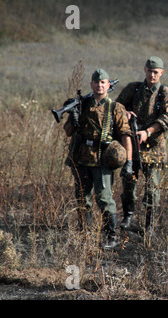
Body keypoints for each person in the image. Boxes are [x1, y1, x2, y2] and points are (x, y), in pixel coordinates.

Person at [64, 68, 133, 249]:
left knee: (104, 198)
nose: (100, 85)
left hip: (103, 161)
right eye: (97, 82)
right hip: (81, 159)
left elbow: (126, 136)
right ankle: (84, 234)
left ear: (108, 85)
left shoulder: (115, 108)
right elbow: (68, 132)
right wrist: (73, 117)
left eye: (103, 83)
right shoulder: (82, 104)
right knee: (82, 199)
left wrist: (129, 162)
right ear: (91, 85)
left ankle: (111, 236)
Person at [116, 56, 168, 233]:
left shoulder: (165, 93)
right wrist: (125, 113)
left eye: (156, 72)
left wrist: (148, 132)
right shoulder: (133, 89)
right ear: (145, 70)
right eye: (150, 71)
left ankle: (149, 224)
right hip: (132, 147)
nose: (152, 75)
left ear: (161, 73)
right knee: (128, 183)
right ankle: (128, 217)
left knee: (152, 189)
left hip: (154, 148)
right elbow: (115, 108)